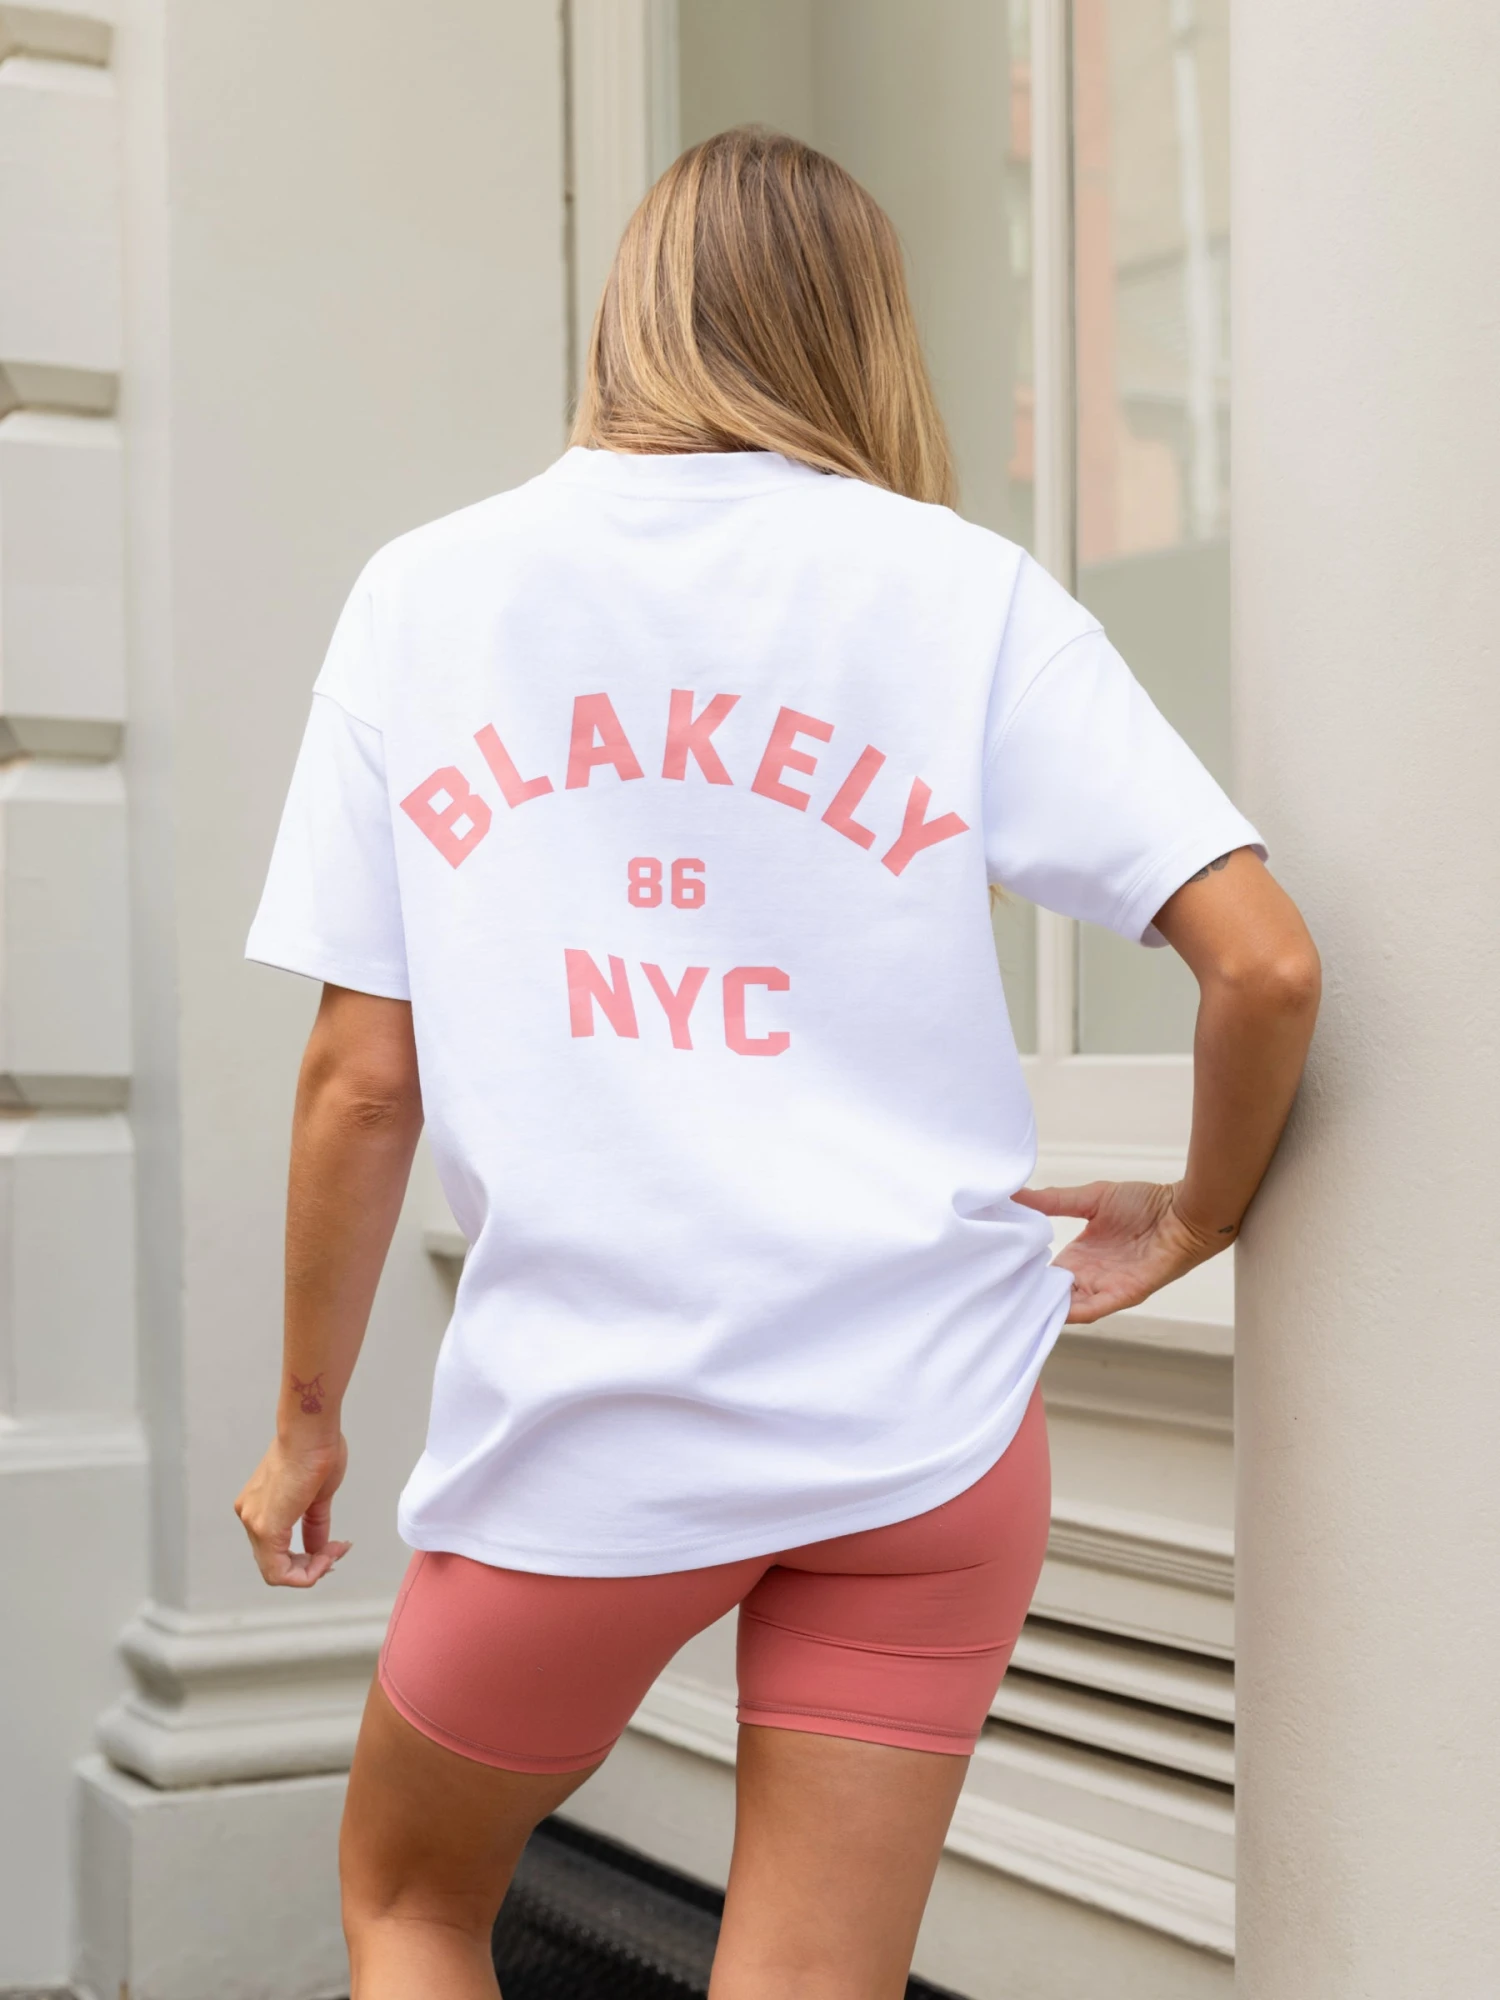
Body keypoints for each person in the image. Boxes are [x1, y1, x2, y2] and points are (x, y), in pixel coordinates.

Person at [235, 126, 1319, 2000]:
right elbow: (1267, 963)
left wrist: (307, 1419)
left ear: (631, 316)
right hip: (924, 1428)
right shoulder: (959, 590)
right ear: (861, 332)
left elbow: (363, 1082)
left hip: (597, 1426)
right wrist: (1200, 1214)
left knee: (413, 1903)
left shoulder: (429, 596)